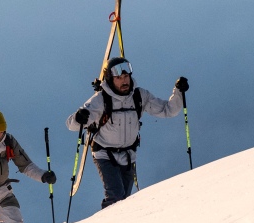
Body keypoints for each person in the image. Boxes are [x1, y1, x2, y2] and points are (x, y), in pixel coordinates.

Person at [68, 58, 188, 209]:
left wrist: (178, 92)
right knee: (116, 197)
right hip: (104, 154)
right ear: (110, 79)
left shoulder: (139, 96)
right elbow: (72, 125)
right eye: (119, 78)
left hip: (128, 155)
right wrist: (79, 118)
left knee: (125, 200)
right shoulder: (100, 100)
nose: (124, 81)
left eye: (126, 77)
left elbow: (168, 110)